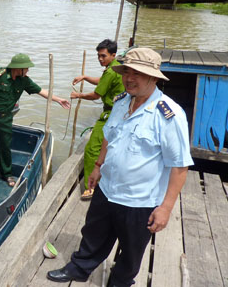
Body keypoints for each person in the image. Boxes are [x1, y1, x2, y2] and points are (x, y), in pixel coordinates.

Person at [47, 48, 193, 287]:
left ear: (154, 78)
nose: (129, 78)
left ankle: (121, 281)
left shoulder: (169, 115)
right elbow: (109, 136)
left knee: (132, 249)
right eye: (127, 72)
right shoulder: (121, 102)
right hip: (107, 188)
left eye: (138, 73)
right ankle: (80, 267)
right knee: (93, 234)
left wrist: (166, 208)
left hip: (140, 200)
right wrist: (97, 167)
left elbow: (179, 166)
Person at [0, 53, 71, 187]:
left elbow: (41, 91)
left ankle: (7, 174)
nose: (28, 70)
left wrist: (58, 99)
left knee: (5, 147)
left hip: (6, 118)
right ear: (19, 68)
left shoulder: (24, 81)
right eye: (26, 68)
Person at [70, 39, 125, 200]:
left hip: (110, 114)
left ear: (113, 55)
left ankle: (91, 186)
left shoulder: (110, 71)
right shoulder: (115, 68)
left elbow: (96, 94)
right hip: (119, 112)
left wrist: (78, 95)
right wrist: (86, 77)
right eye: (98, 56)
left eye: (103, 56)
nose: (100, 59)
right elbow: (102, 82)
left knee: (92, 150)